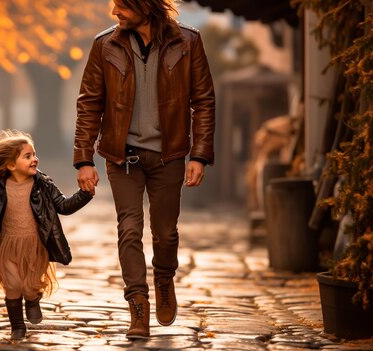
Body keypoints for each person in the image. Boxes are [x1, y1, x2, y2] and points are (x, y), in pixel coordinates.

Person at [74, 0, 215, 339]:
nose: (114, 13)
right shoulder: (104, 45)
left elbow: (204, 101)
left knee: (166, 233)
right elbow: (89, 103)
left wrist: (199, 155)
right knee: (129, 230)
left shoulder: (189, 42)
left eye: (121, 5)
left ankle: (164, 278)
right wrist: (83, 160)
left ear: (145, 6)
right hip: (123, 158)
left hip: (169, 156)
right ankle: (138, 305)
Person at [0, 130, 94, 340]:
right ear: (10, 165)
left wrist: (85, 194)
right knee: (13, 285)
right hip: (8, 247)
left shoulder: (43, 184)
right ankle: (17, 326)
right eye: (27, 156)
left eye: (34, 154)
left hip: (36, 246)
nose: (35, 159)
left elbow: (63, 205)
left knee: (29, 286)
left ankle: (32, 299)